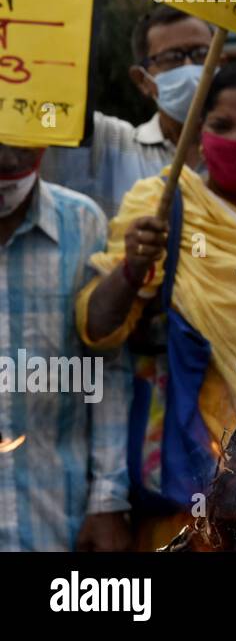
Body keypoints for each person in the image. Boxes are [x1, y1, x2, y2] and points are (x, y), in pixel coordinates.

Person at [76, 61, 236, 549]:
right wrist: (130, 269)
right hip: (191, 496)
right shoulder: (162, 204)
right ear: (196, 130)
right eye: (221, 125)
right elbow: (98, 331)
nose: (235, 138)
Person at [0, 142, 131, 551]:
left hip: (59, 519)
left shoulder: (82, 223)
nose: (6, 157)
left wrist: (108, 500)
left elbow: (106, 367)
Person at [40, 5, 213, 217]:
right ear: (142, 80)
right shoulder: (108, 145)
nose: (189, 66)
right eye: (172, 57)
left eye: (202, 54)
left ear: (220, 62)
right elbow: (49, 110)